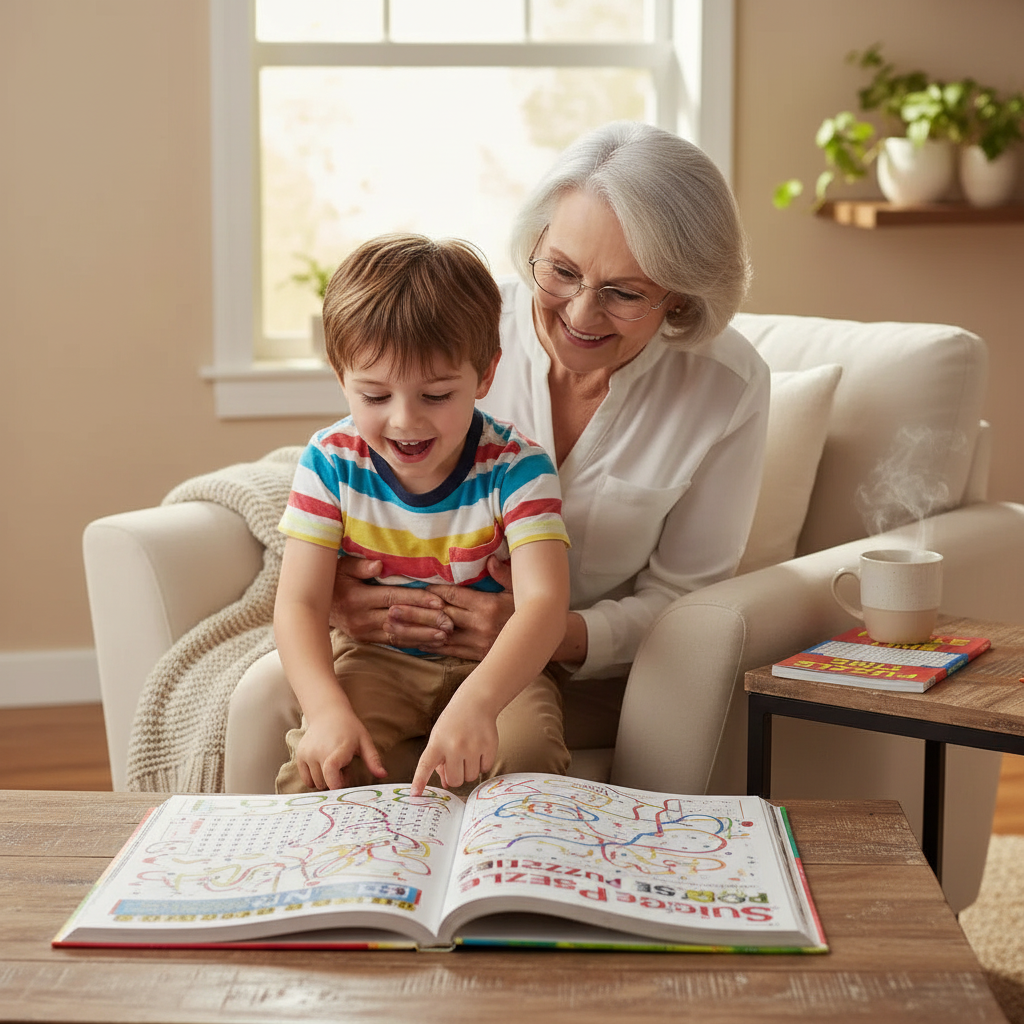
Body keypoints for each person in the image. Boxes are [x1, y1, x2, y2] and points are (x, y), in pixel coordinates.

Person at [224, 121, 769, 793]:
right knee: (270, 710)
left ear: (678, 296)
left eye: (625, 292)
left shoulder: (723, 387)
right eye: (562, 270)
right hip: (388, 648)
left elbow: (684, 597)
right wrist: (347, 597)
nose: (581, 311)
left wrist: (556, 636)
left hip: (571, 664)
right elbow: (326, 543)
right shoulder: (468, 328)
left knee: (523, 757)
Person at [272, 233, 571, 797]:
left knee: (530, 755)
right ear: (341, 378)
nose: (405, 421)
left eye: (436, 396)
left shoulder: (519, 468)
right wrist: (325, 710)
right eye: (375, 396)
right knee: (327, 764)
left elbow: (544, 605)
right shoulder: (329, 462)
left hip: (492, 666)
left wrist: (480, 700)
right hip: (376, 659)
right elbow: (299, 602)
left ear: (485, 376)